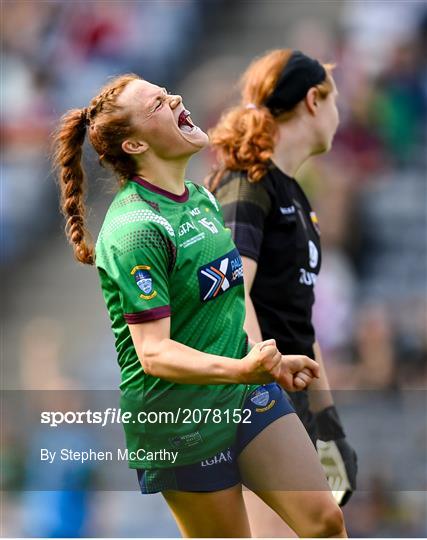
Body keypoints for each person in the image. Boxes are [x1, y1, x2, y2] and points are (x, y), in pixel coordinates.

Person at [52, 73, 347, 537]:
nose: (174, 100)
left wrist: (262, 358)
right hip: (178, 423)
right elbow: (154, 353)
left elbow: (228, 299)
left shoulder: (202, 198)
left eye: (166, 93)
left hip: (244, 393)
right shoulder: (136, 228)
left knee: (325, 522)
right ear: (133, 146)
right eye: (156, 105)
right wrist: (243, 369)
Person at [209, 49, 358, 536]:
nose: (339, 114)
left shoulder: (293, 194)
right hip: (257, 403)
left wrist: (327, 416)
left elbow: (300, 326)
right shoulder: (246, 184)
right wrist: (263, 390)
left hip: (288, 402)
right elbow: (233, 294)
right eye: (336, 100)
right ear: (315, 100)